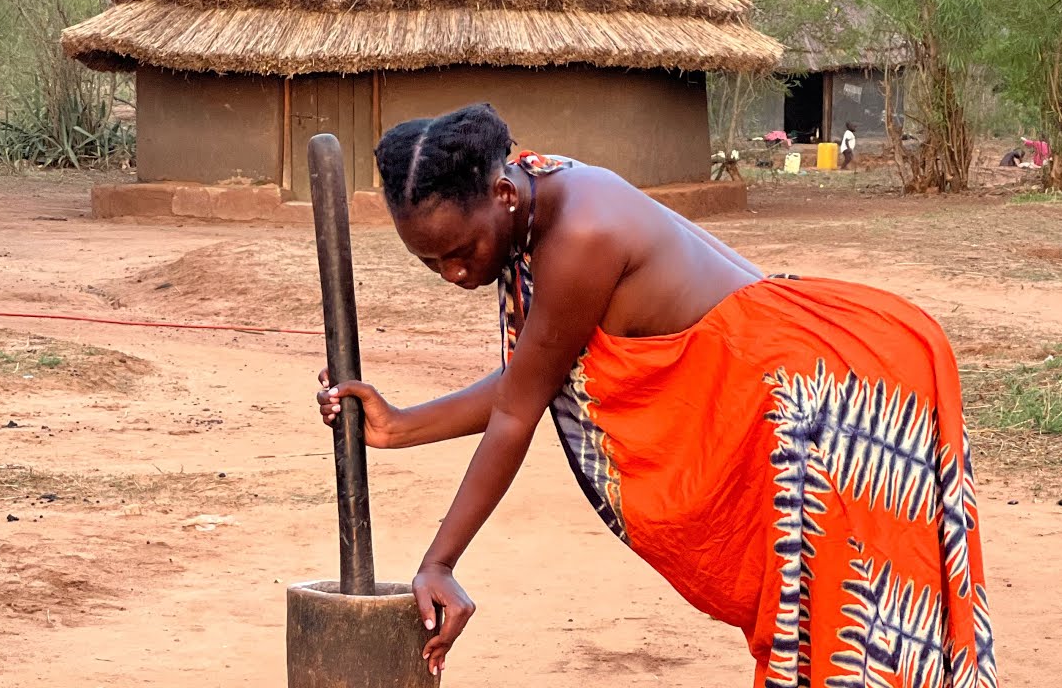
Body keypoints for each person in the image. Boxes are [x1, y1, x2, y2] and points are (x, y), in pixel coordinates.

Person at [315, 103, 998, 687]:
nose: (453, 273)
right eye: (429, 261)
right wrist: (398, 426)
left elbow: (518, 409)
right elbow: (534, 375)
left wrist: (439, 563)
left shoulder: (579, 236)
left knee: (852, 638)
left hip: (825, 398)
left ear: (502, 195)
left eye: (461, 250)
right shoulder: (538, 190)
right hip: (804, 383)